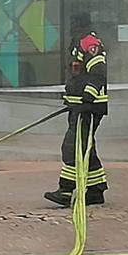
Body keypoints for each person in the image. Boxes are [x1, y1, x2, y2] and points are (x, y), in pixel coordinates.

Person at [45, 31, 109, 207]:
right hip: (79, 106)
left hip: (88, 107)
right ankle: (96, 189)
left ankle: (65, 190)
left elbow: (98, 73)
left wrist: (87, 98)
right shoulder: (76, 43)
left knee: (72, 147)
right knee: (85, 146)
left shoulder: (89, 42)